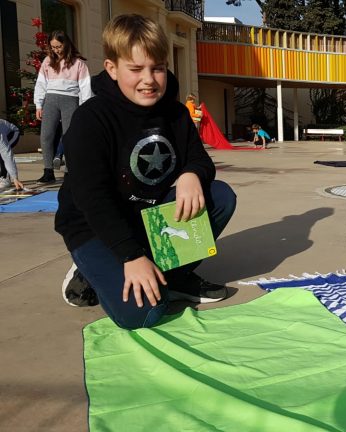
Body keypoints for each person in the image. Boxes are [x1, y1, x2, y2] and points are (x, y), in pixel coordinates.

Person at [54, 14, 237, 329]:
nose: (149, 79)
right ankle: (87, 271)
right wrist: (131, 256)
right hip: (94, 227)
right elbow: (92, 199)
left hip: (146, 217)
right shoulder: (91, 120)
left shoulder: (175, 114)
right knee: (145, 314)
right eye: (136, 69)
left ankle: (173, 276)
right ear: (112, 68)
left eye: (158, 68)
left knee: (219, 197)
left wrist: (191, 174)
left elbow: (200, 159)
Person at [33, 30, 92, 184]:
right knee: (46, 136)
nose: (56, 50)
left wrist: (84, 108)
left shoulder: (78, 63)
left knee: (69, 136)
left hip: (70, 100)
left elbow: (85, 87)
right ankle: (48, 171)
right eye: (53, 47)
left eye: (59, 46)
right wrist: (39, 104)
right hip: (50, 100)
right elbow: (41, 83)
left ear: (66, 44)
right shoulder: (47, 61)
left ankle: (70, 172)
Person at [0, 119, 24, 190]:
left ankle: (5, 178)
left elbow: (7, 155)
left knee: (2, 154)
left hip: (12, 132)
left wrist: (15, 177)